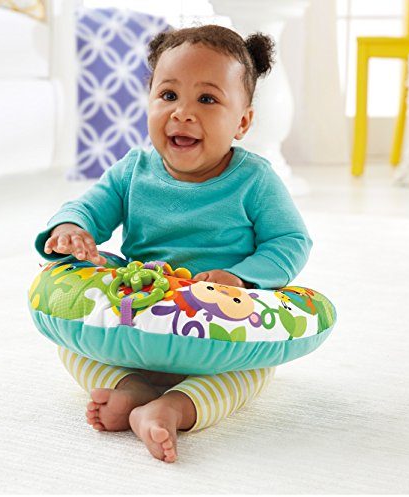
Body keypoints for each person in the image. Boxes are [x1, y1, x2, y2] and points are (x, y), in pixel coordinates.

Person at [35, 25, 312, 463]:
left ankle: (173, 408)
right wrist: (72, 228)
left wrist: (240, 278)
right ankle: (132, 388)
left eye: (207, 100)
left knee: (255, 371)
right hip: (141, 317)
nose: (182, 113)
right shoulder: (133, 170)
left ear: (242, 122)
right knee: (69, 345)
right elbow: (88, 207)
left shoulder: (255, 180)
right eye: (168, 95)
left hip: (215, 330)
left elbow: (290, 240)